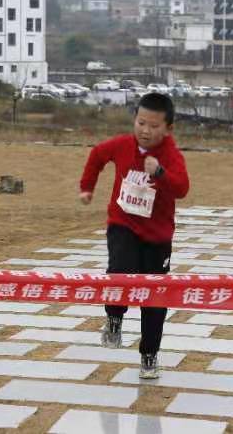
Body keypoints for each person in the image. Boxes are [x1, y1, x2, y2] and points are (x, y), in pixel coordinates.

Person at [79, 92, 189, 379]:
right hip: (123, 223)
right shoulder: (121, 145)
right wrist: (86, 187)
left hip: (157, 237)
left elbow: (182, 188)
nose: (145, 130)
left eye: (154, 126)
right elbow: (96, 156)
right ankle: (114, 317)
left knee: (154, 297)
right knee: (119, 270)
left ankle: (149, 353)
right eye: (141, 123)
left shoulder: (171, 155)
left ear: (168, 129)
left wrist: (161, 172)